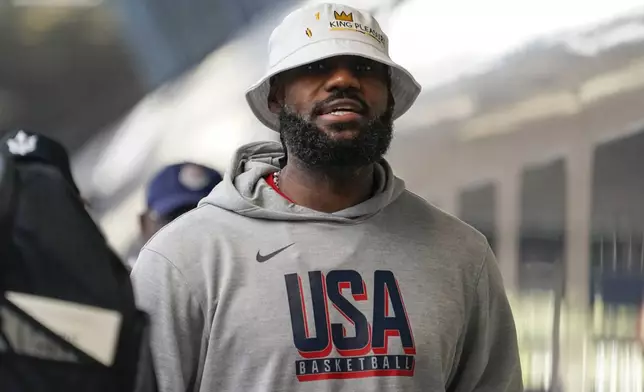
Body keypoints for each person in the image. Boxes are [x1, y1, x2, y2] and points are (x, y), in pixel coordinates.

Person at [132, 3, 523, 392]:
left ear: (388, 98)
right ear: (275, 97)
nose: (343, 80)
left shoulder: (460, 257)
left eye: (365, 69)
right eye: (316, 67)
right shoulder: (185, 259)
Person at [126, 162, 223, 267]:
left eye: (204, 219)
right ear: (145, 226)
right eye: (173, 220)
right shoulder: (132, 281)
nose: (190, 234)